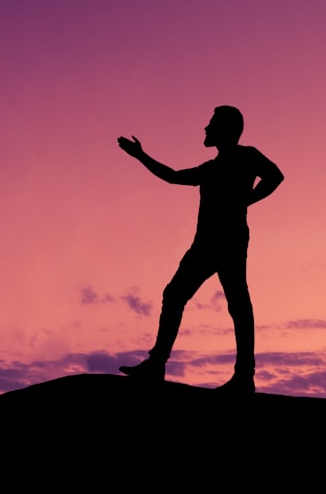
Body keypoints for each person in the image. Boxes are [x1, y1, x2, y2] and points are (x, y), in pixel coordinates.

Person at [117, 105, 283, 393]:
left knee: (236, 303)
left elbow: (275, 176)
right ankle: (158, 365)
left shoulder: (247, 155)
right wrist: (140, 156)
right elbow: (171, 176)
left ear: (227, 130)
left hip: (228, 240)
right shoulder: (210, 169)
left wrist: (247, 200)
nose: (205, 129)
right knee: (178, 295)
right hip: (205, 243)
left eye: (211, 124)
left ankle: (243, 376)